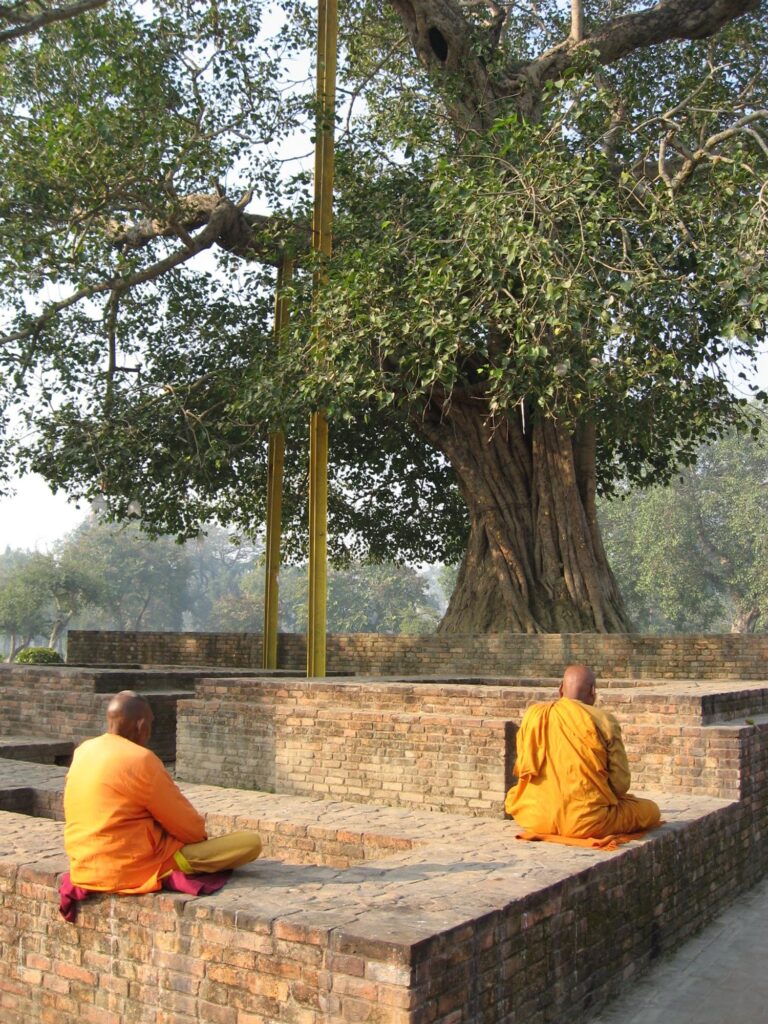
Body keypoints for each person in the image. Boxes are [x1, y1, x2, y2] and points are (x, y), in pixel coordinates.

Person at [63, 690, 262, 894]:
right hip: (131, 869)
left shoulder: (83, 750)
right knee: (250, 843)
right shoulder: (141, 759)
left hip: (83, 867)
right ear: (141, 725)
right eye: (150, 723)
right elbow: (188, 827)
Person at [505, 665, 661, 842]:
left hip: (534, 816)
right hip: (587, 821)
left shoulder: (533, 715)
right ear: (593, 691)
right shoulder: (603, 720)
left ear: (560, 689)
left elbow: (524, 767)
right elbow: (620, 784)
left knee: (514, 795)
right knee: (651, 810)